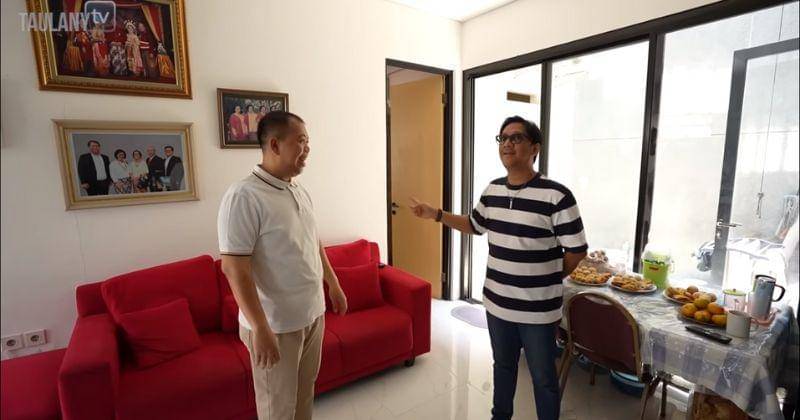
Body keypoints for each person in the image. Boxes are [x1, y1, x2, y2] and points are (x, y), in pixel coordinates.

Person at [410, 116, 588, 420]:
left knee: (544, 378)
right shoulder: (492, 190)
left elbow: (577, 250)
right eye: (503, 138)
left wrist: (549, 275)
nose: (507, 144)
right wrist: (436, 214)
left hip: (538, 311)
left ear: (534, 148)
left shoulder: (556, 196)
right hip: (497, 305)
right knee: (503, 367)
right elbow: (474, 224)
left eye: (516, 138)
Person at [218, 111, 348, 420]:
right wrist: (260, 327)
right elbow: (234, 269)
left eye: (308, 141)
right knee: (277, 409)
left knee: (304, 397)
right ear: (275, 145)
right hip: (275, 325)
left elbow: (313, 242)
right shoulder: (244, 196)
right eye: (300, 141)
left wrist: (333, 284)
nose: (307, 149)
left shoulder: (298, 190)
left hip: (312, 315)